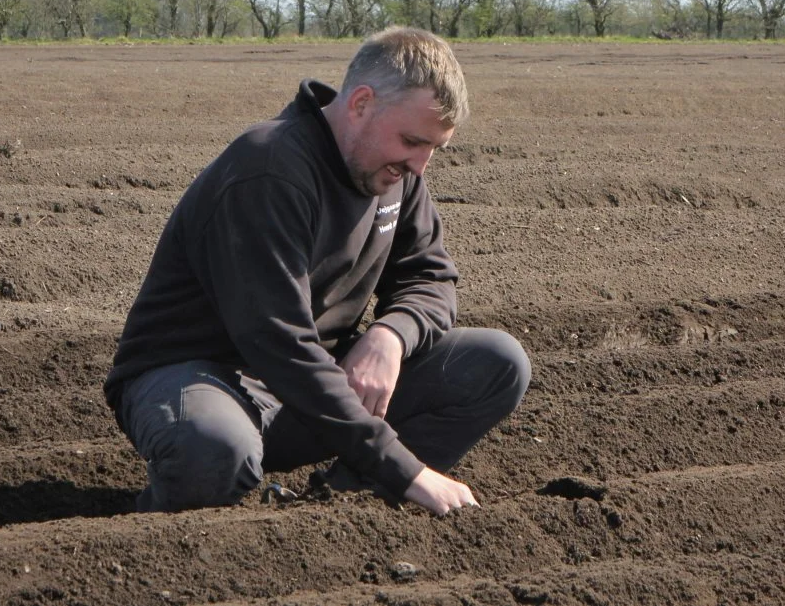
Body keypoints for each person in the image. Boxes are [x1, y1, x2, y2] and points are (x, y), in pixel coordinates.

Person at [104, 26, 530, 516]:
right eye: (412, 141)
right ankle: (154, 530)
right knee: (214, 449)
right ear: (361, 103)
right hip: (201, 377)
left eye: (434, 148)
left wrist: (390, 335)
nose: (420, 166)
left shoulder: (395, 174)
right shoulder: (268, 169)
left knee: (497, 362)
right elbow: (278, 342)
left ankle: (343, 507)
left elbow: (430, 279)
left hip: (306, 387)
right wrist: (408, 470)